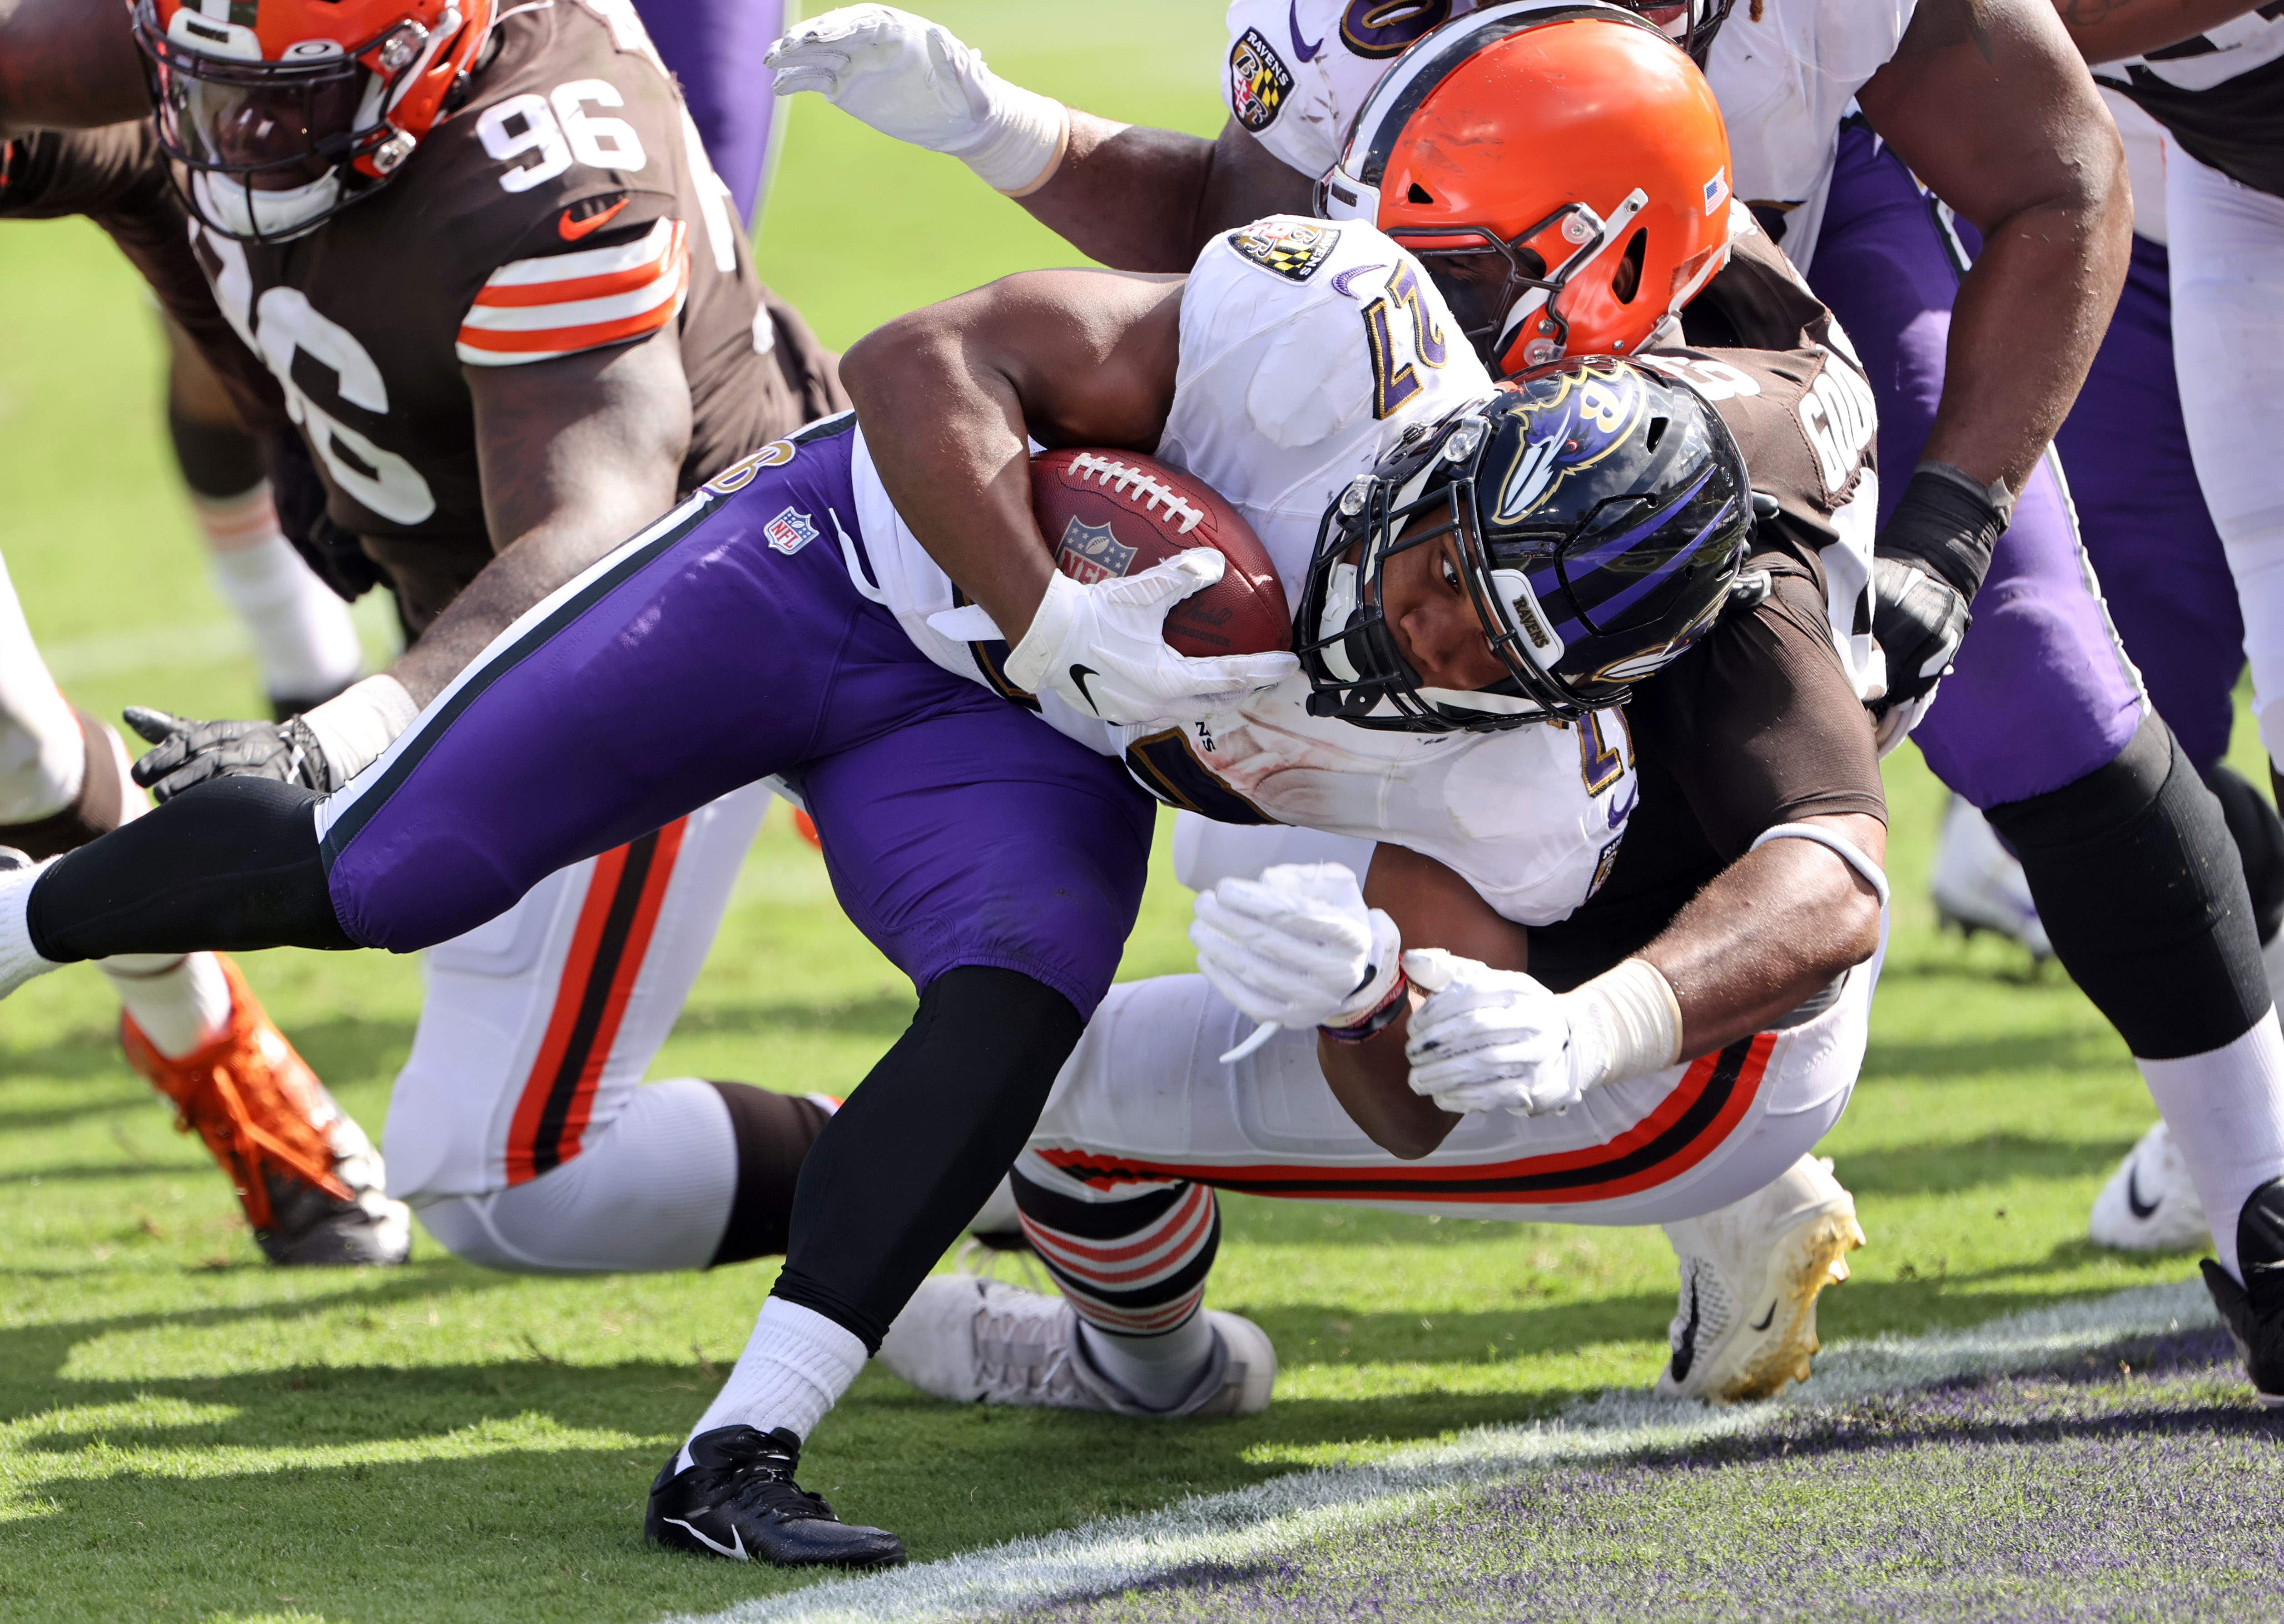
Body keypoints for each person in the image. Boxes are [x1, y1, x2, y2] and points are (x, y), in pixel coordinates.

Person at [770, 0, 2284, 1411]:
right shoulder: (1360, 70)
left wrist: (1951, 527)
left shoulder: (1758, 396)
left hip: (1754, 296)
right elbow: (1251, 252)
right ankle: (1690, 1166)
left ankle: (2257, 1198)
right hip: (1501, 389)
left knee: (2018, 682)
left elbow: (2055, 174)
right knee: (1329, 710)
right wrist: (1001, 132)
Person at [0, 0, 854, 1274]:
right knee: (492, 1158)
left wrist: (336, 730)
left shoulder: (556, 173)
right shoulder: (228, 40)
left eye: (297, 99)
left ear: (430, 57)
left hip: (692, 611)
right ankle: (1001, 1156)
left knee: (513, 1180)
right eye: (214, 83)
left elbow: (593, 531)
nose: (245, 130)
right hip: (485, 590)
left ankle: (995, 1159)